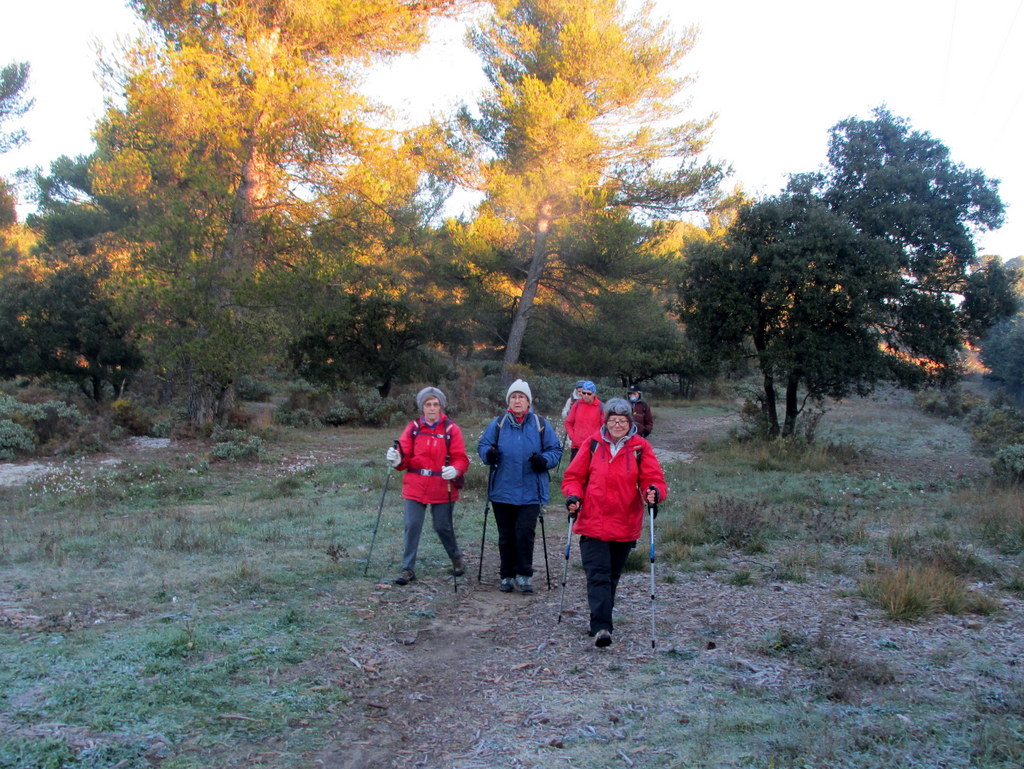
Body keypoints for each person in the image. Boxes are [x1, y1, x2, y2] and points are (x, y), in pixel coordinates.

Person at [561, 397, 668, 648]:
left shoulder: (640, 447)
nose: (618, 425)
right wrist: (573, 495)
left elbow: (654, 480)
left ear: (630, 422)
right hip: (592, 522)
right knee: (597, 574)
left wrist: (654, 492)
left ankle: (601, 619)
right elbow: (573, 477)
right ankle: (601, 628)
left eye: (622, 420)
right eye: (613, 420)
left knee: (611, 577)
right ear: (605, 421)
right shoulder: (592, 445)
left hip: (624, 523)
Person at [477, 379, 563, 593]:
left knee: (524, 533)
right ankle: (506, 575)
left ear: (528, 401)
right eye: (514, 397)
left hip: (531, 491)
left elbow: (555, 450)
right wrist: (488, 454)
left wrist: (544, 460)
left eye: (521, 397)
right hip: (502, 490)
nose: (517, 400)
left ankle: (524, 575)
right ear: (508, 401)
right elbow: (483, 445)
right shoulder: (497, 423)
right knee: (506, 535)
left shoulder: (540, 424)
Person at [385, 387, 470, 586]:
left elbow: (461, 458)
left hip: (442, 485)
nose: (432, 408)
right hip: (415, 485)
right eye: (428, 404)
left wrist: (456, 470)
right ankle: (408, 568)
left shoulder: (451, 429)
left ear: (441, 406)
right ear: (422, 407)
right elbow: (403, 456)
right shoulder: (413, 428)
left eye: (435, 404)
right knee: (412, 525)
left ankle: (456, 558)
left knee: (442, 526)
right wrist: (396, 458)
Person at [564, 380, 603, 460]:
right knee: (574, 472)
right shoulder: (577, 405)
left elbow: (605, 427)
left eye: (589, 393)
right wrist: (573, 436)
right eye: (583, 393)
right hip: (577, 447)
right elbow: (568, 422)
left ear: (594, 394)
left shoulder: (601, 407)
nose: (586, 395)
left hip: (593, 448)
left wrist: (598, 441)